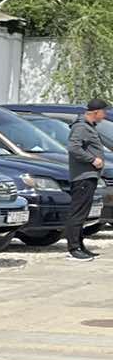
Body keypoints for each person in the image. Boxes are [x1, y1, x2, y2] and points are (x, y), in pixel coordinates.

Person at [64, 97, 108, 261]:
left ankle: (80, 245)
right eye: (103, 112)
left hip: (89, 176)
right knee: (78, 213)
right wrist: (92, 159)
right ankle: (73, 248)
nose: (104, 115)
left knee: (82, 214)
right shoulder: (81, 127)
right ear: (96, 112)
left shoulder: (88, 127)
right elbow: (73, 147)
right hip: (83, 176)